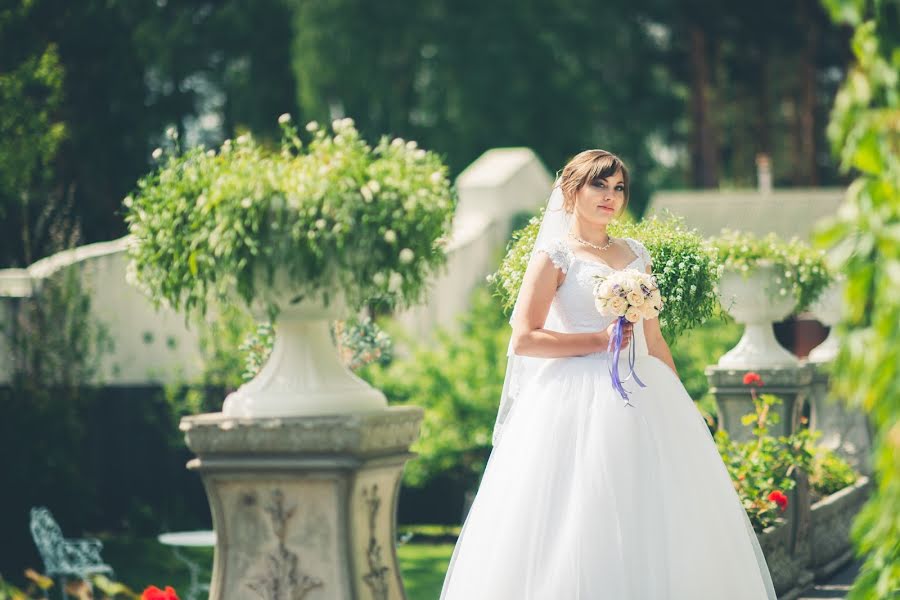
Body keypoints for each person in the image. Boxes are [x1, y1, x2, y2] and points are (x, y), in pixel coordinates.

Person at [439, 149, 777, 599]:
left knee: (652, 515)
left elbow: (654, 342)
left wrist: (685, 408)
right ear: (572, 190)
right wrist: (596, 343)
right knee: (583, 515)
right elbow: (524, 339)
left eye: (619, 188)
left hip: (643, 393)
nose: (610, 196)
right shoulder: (555, 256)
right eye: (600, 185)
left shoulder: (637, 254)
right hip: (572, 400)